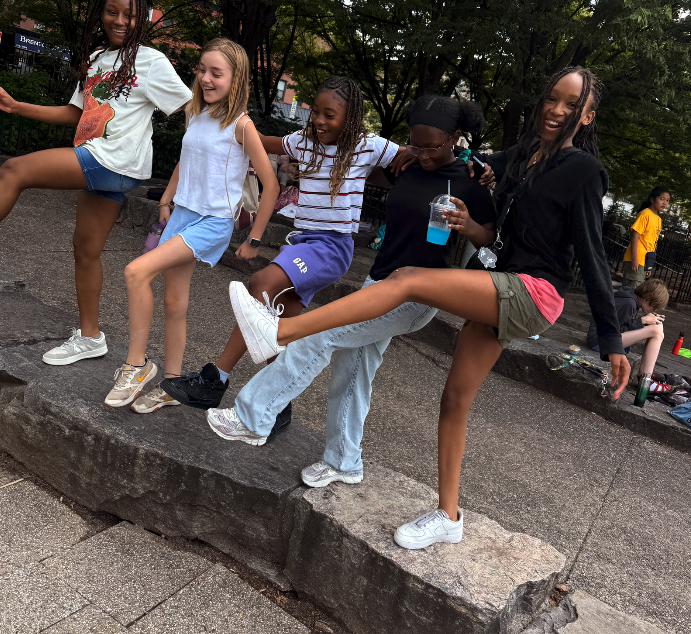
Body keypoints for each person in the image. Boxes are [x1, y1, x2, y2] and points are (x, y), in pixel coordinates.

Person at [226, 66, 630, 550]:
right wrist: (449, 159)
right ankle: (448, 516)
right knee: (454, 399)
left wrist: (611, 340)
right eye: (551, 98)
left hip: (533, 292)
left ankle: (280, 333)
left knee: (407, 281)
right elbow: (472, 162)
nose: (556, 109)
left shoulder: (583, 171)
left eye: (570, 104)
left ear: (586, 116)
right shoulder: (522, 157)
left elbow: (593, 254)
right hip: (497, 285)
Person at [200, 95, 495, 492]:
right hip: (379, 284)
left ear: (455, 138)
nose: (423, 154)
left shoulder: (470, 179)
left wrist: (468, 224)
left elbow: (490, 237)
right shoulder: (405, 165)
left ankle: (253, 417)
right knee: (353, 370)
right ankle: (344, 461)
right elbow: (356, 161)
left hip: (422, 294)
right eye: (416, 144)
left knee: (319, 334)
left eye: (432, 147)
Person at [160, 77, 407, 422]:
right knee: (276, 327)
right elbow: (261, 141)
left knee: (261, 284)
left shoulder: (367, 145)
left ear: (350, 118)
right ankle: (277, 407)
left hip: (331, 247)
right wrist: (230, 117)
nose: (319, 120)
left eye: (330, 115)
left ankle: (215, 379)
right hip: (303, 241)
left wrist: (465, 165)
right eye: (315, 112)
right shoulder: (304, 141)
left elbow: (412, 155)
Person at [0, 0, 192, 366]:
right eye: (112, 12)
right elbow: (76, 113)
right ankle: (90, 337)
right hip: (100, 160)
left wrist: (211, 156)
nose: (120, 20)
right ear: (101, 13)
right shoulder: (97, 58)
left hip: (112, 160)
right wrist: (17, 106)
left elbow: (191, 107)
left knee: (13, 169)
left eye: (129, 15)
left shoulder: (151, 61)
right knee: (85, 250)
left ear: (141, 20)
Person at [103, 38, 279, 411]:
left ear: (236, 79)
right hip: (182, 213)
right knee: (174, 301)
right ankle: (171, 385)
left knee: (136, 272)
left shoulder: (241, 125)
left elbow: (271, 185)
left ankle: (136, 365)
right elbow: (187, 161)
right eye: (202, 70)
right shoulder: (195, 114)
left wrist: (254, 239)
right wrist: (165, 200)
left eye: (217, 73)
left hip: (212, 222)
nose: (206, 79)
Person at [586, 278, 668, 390]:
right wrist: (642, 321)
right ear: (647, 299)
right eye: (654, 306)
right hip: (599, 342)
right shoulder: (628, 303)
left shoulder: (630, 298)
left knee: (657, 327)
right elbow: (616, 330)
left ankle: (645, 377)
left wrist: (646, 321)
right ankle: (645, 379)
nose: (653, 310)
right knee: (656, 330)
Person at [622, 187, 670, 286]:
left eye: (667, 200)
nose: (665, 203)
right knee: (630, 289)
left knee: (637, 289)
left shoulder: (658, 219)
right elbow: (634, 236)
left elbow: (652, 242)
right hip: (637, 257)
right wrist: (634, 259)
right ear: (652, 199)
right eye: (662, 199)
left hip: (645, 259)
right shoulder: (645, 214)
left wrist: (649, 265)